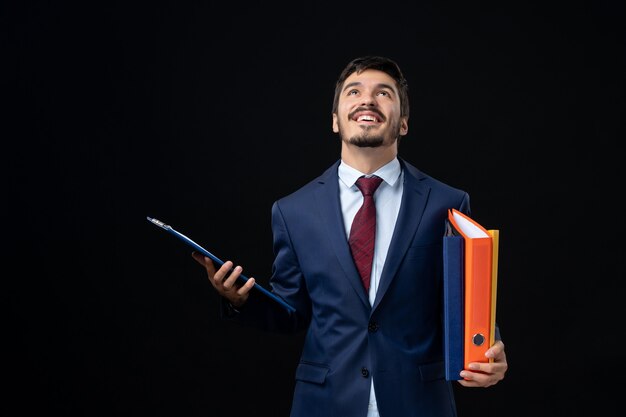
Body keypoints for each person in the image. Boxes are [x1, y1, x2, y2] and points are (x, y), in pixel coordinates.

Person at [192, 55, 507, 417]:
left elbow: (464, 299)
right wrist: (241, 300)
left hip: (419, 403)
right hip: (325, 403)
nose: (368, 100)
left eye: (384, 93)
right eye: (354, 91)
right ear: (335, 120)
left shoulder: (448, 203)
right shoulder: (292, 211)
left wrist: (489, 346)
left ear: (403, 122)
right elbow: (292, 313)